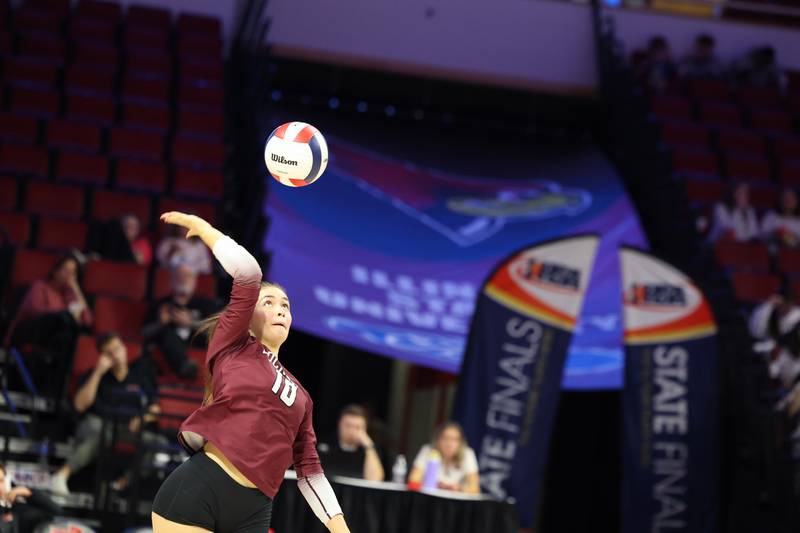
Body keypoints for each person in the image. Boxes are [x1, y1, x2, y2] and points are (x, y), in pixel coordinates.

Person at [151, 211, 350, 533]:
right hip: (200, 490)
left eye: (285, 305)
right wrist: (204, 229)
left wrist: (340, 528)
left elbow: (310, 470)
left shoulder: (302, 396)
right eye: (269, 302)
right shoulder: (233, 344)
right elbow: (248, 273)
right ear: (247, 314)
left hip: (254, 510)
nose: (280, 309)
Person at [50, 332, 167, 496]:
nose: (115, 355)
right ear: (101, 356)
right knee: (100, 431)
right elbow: (79, 405)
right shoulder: (94, 375)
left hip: (126, 429)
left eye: (117, 349)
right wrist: (98, 372)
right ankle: (61, 474)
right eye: (109, 353)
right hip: (98, 425)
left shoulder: (140, 377)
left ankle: (121, 484)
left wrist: (144, 418)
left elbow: (155, 408)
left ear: (125, 349)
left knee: (158, 442)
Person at [142, 265, 218, 379]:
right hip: (170, 347)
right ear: (172, 280)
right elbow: (144, 333)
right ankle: (185, 367)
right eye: (179, 276)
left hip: (198, 343)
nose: (183, 279)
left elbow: (218, 331)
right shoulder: (161, 304)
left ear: (195, 281)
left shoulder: (206, 304)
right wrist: (160, 323)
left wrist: (191, 324)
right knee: (167, 335)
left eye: (188, 276)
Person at [317, 404, 385, 481]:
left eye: (357, 427)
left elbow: (375, 480)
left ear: (365, 429)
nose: (351, 431)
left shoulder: (370, 451)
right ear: (339, 424)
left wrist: (368, 446)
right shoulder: (323, 447)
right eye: (348, 425)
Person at [408, 421, 480, 493]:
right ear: (437, 440)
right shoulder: (428, 451)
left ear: (460, 442)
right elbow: (413, 482)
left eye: (454, 439)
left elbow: (475, 489)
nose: (449, 443)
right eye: (445, 438)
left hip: (455, 501)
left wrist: (459, 488)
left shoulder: (467, 454)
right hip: (429, 498)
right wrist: (434, 486)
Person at [0, 462, 63, 533]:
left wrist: (27, 493)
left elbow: (57, 511)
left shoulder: (18, 506)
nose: (0, 487)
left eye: (1, 481)